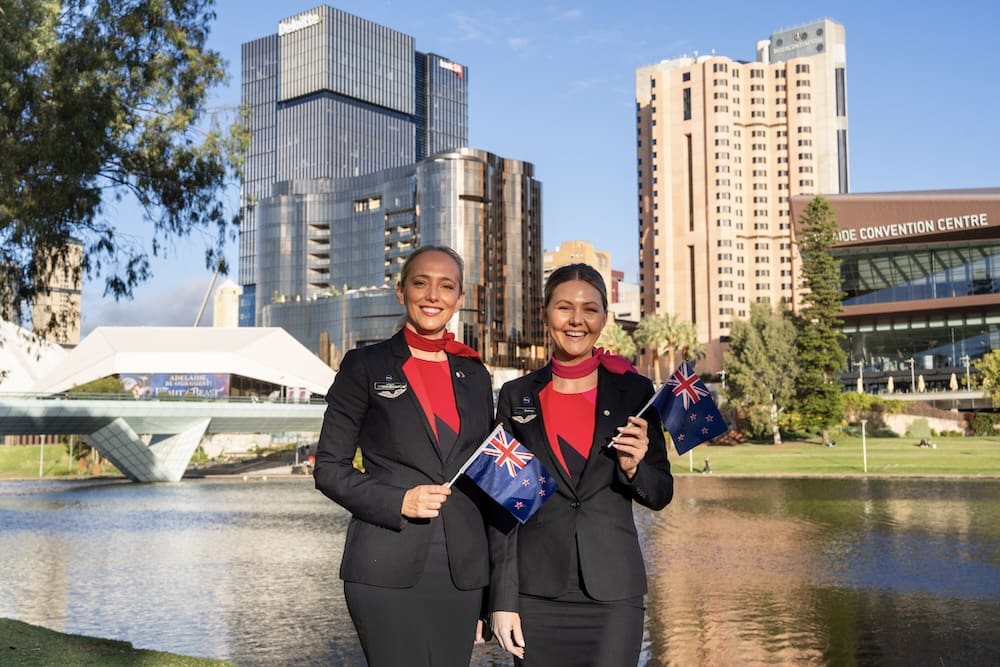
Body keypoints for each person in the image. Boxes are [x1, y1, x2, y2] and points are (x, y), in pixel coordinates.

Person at [313, 245, 495, 667]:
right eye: (421, 283)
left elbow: (484, 476)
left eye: (446, 286)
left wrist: (492, 590)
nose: (433, 295)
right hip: (383, 564)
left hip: (463, 574)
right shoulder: (364, 366)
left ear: (459, 300)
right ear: (401, 292)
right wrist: (400, 501)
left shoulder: (475, 375)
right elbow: (329, 469)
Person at [489, 262, 674, 666]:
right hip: (535, 594)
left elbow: (660, 493)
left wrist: (633, 469)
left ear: (604, 318)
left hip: (614, 595)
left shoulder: (635, 392)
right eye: (564, 308)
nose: (577, 320)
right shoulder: (516, 396)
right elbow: (503, 509)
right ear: (545, 314)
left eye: (590, 309)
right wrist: (501, 601)